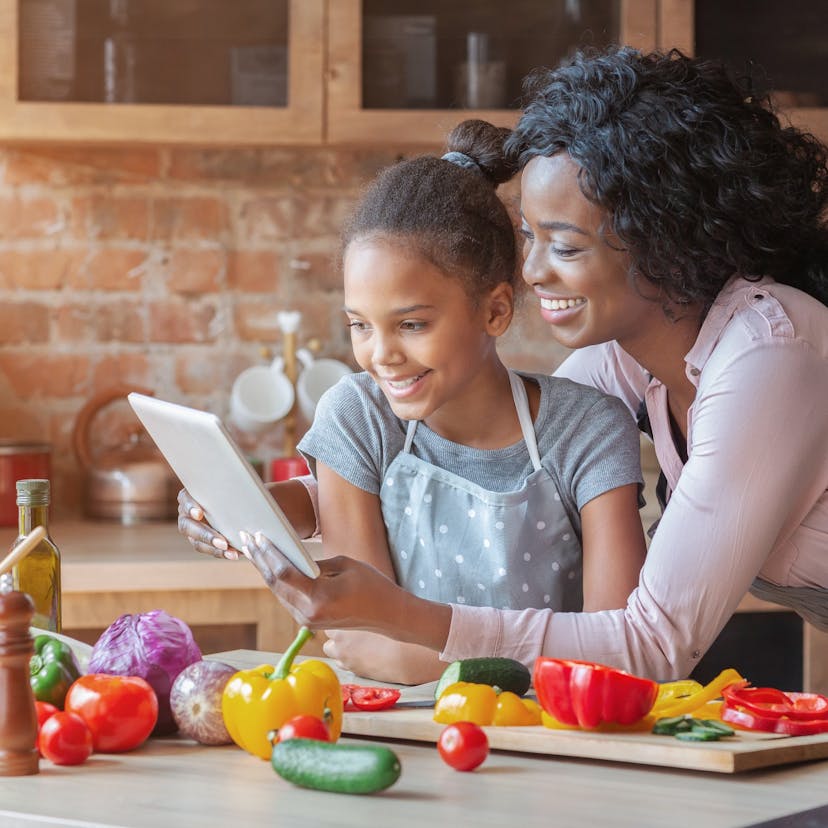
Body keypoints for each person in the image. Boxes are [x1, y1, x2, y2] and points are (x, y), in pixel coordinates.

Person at [183, 46, 828, 684]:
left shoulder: (768, 354)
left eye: (565, 246)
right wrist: (262, 510)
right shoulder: (626, 359)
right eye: (530, 236)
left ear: (665, 237)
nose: (530, 271)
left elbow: (651, 644)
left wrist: (412, 624)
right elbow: (502, 459)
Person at [181, 119, 648, 683]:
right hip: (398, 735)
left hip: (551, 738)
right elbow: (362, 640)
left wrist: (407, 655)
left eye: (411, 323)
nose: (382, 355)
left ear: (495, 312)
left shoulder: (590, 430)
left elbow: (615, 663)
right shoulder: (359, 417)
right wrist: (248, 508)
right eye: (359, 325)